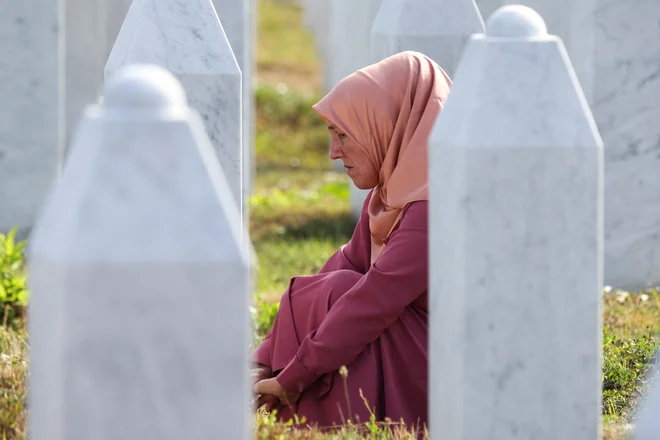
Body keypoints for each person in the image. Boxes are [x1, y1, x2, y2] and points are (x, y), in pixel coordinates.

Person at [251, 51, 452, 434]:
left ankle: (334, 424)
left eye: (343, 134)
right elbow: (341, 268)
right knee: (329, 286)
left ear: (386, 124)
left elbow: (373, 301)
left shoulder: (432, 207)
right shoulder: (389, 196)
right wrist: (262, 361)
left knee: (342, 295)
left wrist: (294, 375)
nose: (334, 152)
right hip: (417, 354)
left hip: (446, 374)